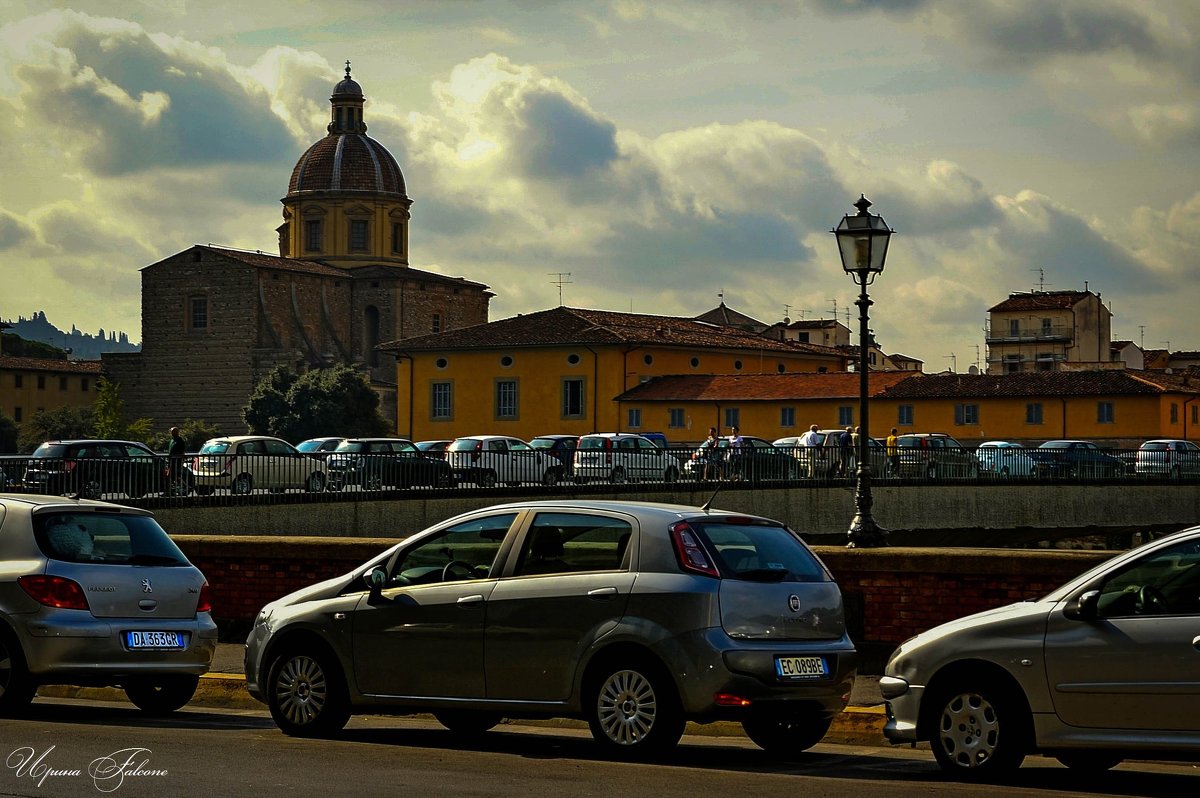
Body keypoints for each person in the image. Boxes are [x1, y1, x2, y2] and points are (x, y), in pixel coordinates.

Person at [167, 426, 186, 495]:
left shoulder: (180, 441)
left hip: (177, 461)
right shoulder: (172, 440)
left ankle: (183, 487)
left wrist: (181, 460)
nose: (172, 433)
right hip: (171, 461)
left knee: (174, 476)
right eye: (171, 432)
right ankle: (170, 491)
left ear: (177, 432)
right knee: (171, 476)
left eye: (174, 432)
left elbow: (182, 452)